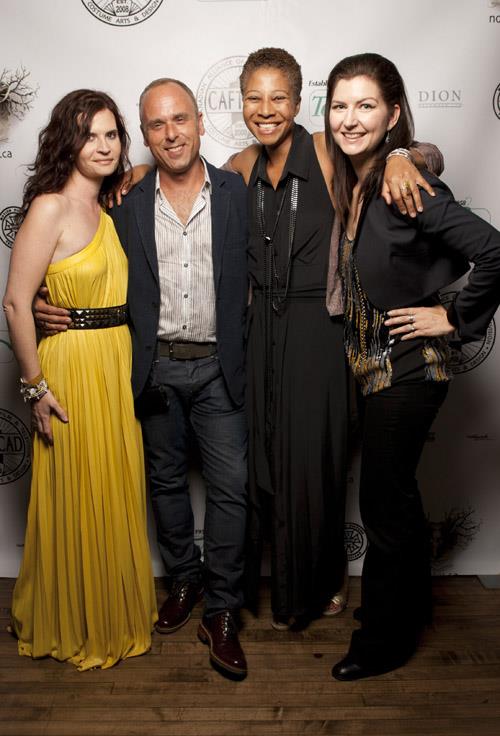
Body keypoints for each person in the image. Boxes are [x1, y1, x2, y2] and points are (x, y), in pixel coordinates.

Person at [35, 79, 249, 679]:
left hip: (218, 369)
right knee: (163, 482)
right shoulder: (121, 201)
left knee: (232, 488)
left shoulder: (237, 191)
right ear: (145, 134)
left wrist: (402, 155)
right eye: (157, 125)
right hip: (151, 366)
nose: (171, 133)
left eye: (181, 119)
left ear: (201, 122)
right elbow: (71, 262)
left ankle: (224, 609)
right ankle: (183, 581)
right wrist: (39, 305)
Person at [227, 48, 442, 630]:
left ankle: (320, 582)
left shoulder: (325, 150)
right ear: (241, 101)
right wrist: (135, 175)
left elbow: (419, 155)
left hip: (318, 329)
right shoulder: (240, 163)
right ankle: (269, 582)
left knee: (316, 463)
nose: (266, 109)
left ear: (301, 103)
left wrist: (403, 154)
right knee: (266, 464)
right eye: (254, 96)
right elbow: (185, 187)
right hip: (259, 330)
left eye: (279, 98)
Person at [324, 52, 500, 680]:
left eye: (366, 105)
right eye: (340, 105)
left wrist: (454, 320)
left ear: (393, 112)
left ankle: (384, 640)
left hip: (407, 370)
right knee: (397, 500)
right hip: (376, 370)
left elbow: (494, 251)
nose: (350, 118)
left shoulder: (406, 184)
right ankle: (412, 607)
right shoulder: (368, 175)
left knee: (381, 505)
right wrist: (401, 152)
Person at [2, 89, 157, 671]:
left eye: (112, 134)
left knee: (112, 489)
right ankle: (72, 617)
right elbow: (17, 303)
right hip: (70, 366)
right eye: (89, 134)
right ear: (67, 141)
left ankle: (111, 610)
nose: (102, 145)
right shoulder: (50, 208)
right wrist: (36, 388)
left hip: (116, 363)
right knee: (75, 490)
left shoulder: (114, 205)